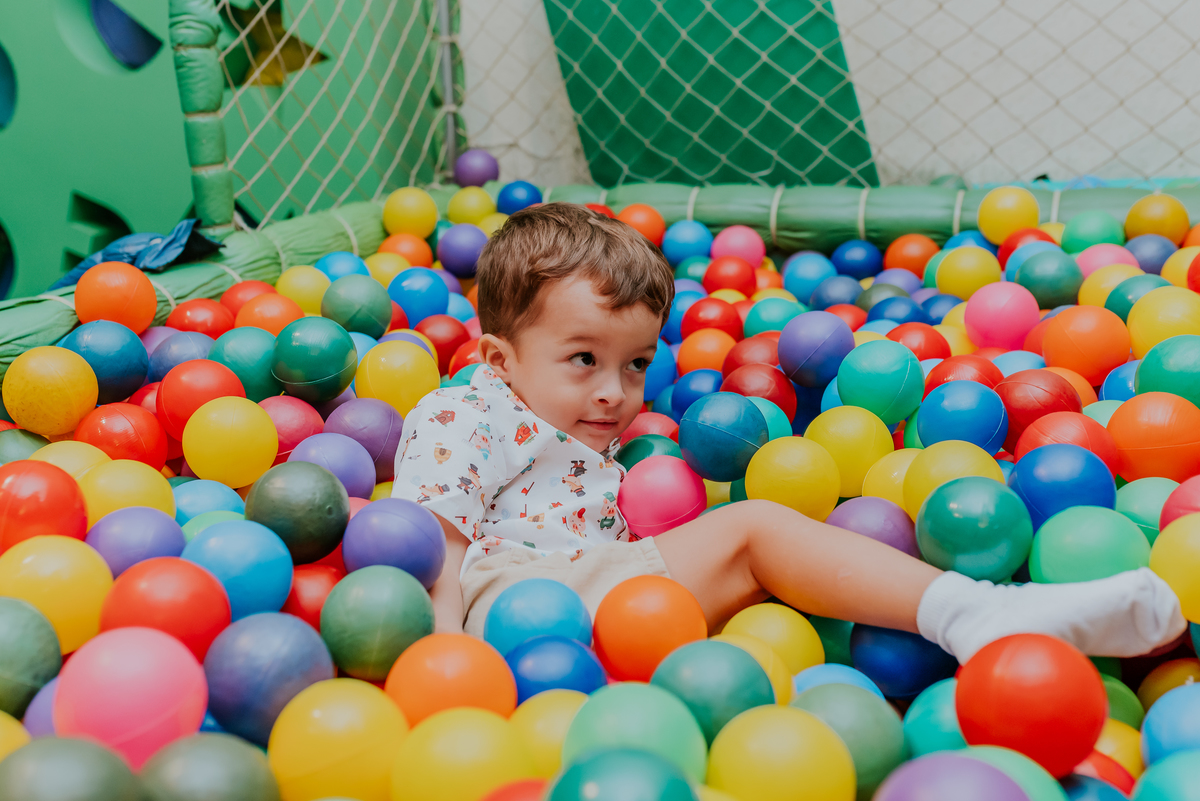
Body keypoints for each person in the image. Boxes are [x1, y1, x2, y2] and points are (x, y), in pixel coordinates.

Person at [392, 203, 1184, 663]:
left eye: (635, 364)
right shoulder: (467, 412)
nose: (613, 392)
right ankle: (981, 614)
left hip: (603, 596)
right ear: (498, 357)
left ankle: (977, 616)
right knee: (757, 528)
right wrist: (448, 669)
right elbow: (439, 554)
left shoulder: (588, 432)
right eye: (583, 360)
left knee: (773, 558)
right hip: (521, 607)